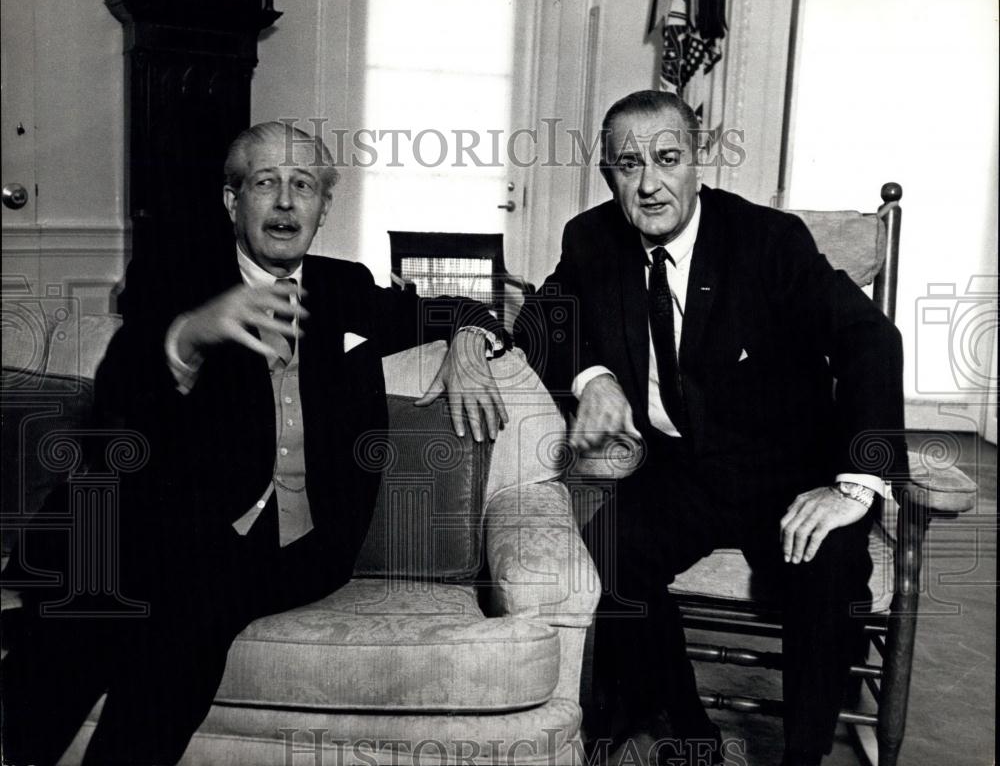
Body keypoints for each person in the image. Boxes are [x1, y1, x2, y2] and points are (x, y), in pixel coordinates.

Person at [1, 121, 507, 765]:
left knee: (174, 609)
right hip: (179, 529)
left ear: (325, 206)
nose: (287, 202)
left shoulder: (345, 286)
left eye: (304, 186)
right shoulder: (176, 277)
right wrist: (190, 333)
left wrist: (469, 341)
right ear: (232, 200)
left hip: (306, 544)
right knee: (127, 610)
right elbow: (121, 399)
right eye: (266, 182)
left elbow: (463, 309)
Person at [513, 91, 907, 766]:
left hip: (788, 472)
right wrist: (594, 377)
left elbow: (870, 337)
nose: (649, 183)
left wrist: (854, 484)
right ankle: (689, 730)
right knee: (604, 555)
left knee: (832, 568)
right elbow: (539, 325)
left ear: (699, 163)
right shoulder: (591, 237)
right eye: (628, 164)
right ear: (609, 174)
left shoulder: (769, 242)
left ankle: (803, 757)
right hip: (682, 472)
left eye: (667, 159)